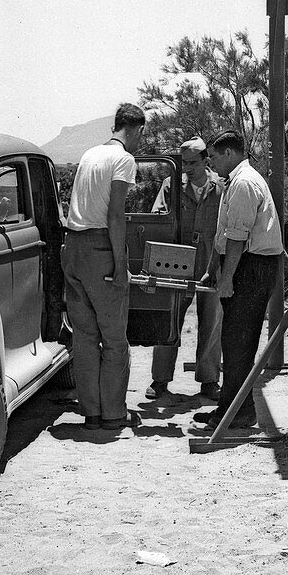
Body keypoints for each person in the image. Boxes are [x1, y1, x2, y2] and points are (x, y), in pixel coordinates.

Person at [192, 131, 284, 432]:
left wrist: (227, 278)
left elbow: (237, 237)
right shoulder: (236, 181)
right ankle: (231, 409)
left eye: (215, 158)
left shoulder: (243, 182)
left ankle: (238, 413)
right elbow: (224, 234)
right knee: (234, 343)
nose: (212, 164)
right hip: (246, 264)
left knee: (239, 342)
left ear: (229, 154)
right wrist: (213, 270)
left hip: (252, 267)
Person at [62, 103, 146, 430]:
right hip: (100, 249)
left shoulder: (89, 155)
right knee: (114, 339)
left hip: (73, 248)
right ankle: (113, 415)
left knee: (83, 338)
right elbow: (115, 216)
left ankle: (91, 414)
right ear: (136, 129)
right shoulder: (124, 159)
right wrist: (122, 265)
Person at [146, 137, 223, 402]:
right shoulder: (172, 186)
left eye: (192, 162)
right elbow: (159, 217)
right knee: (170, 316)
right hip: (178, 258)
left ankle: (209, 380)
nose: (187, 168)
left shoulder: (221, 187)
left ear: (206, 160)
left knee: (212, 319)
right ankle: (160, 379)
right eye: (184, 163)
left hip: (210, 257)